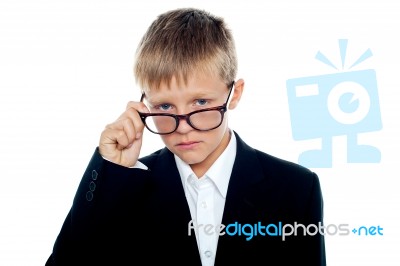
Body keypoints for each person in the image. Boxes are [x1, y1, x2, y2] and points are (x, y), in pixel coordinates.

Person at [45, 7, 326, 266]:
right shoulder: (125, 187)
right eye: (165, 107)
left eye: (201, 103)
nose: (182, 127)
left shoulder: (297, 188)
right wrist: (110, 172)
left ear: (234, 94)